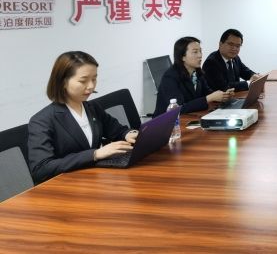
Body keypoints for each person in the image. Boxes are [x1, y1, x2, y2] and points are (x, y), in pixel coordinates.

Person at [27, 51, 138, 184]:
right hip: (66, 186)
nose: (91, 86)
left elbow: (117, 131)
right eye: (83, 81)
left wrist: (129, 134)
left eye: (94, 79)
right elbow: (41, 169)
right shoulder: (42, 121)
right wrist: (95, 154)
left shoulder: (92, 108)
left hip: (95, 179)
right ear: (62, 82)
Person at [154, 36, 231, 116]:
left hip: (190, 116)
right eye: (195, 52)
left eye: (200, 51)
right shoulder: (170, 77)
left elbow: (207, 92)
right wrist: (209, 98)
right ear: (182, 57)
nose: (200, 55)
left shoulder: (197, 72)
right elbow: (179, 108)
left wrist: (222, 95)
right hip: (167, 121)